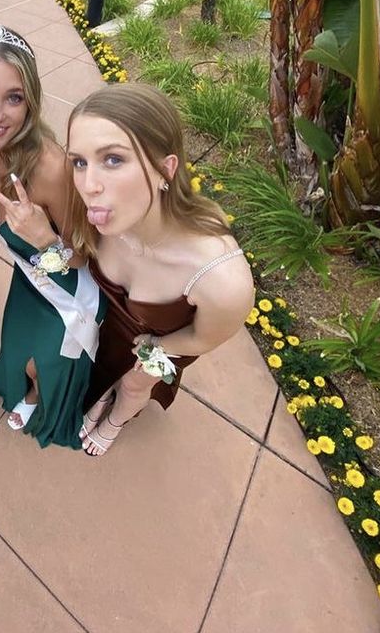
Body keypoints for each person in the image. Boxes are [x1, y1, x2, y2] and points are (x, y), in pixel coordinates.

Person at [65, 83, 254, 456]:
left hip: (162, 342)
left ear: (165, 170)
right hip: (105, 333)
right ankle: (103, 394)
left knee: (135, 385)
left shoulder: (220, 280)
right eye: (79, 162)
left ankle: (117, 417)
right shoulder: (99, 218)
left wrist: (158, 347)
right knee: (102, 369)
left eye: (113, 159)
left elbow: (202, 339)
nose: (89, 185)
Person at [0, 24, 104, 449]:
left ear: (30, 101)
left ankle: (39, 393)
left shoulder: (50, 169)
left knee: (40, 363)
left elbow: (83, 259)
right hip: (29, 278)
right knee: (15, 346)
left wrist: (45, 239)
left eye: (13, 98)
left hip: (68, 285)